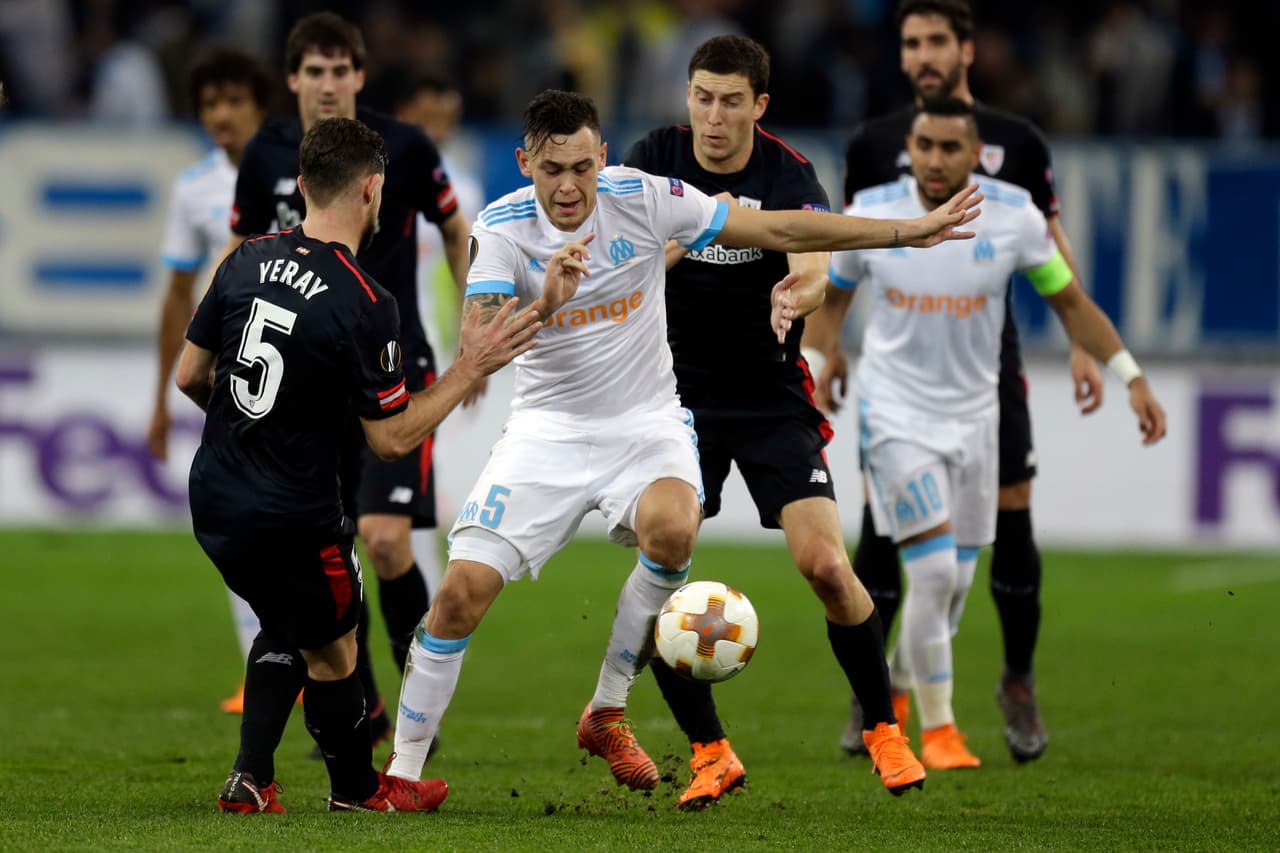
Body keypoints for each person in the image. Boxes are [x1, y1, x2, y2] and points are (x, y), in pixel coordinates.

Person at [385, 88, 981, 798]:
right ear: (524, 164)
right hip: (546, 432)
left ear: (603, 157)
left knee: (673, 528)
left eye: (582, 166)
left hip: (646, 422)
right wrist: (546, 301)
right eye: (551, 170)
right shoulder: (503, 227)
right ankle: (402, 774)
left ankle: (606, 708)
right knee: (457, 596)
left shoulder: (645, 198)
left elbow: (784, 229)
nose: (569, 186)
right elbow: (480, 343)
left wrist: (903, 233)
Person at [176, 116, 540, 813]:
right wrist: (471, 366)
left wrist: (246, 431)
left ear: (302, 184)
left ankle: (250, 777)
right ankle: (357, 790)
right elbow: (392, 439)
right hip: (293, 510)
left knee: (288, 620)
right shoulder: (367, 300)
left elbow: (192, 374)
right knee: (337, 649)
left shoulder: (245, 258)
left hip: (215, 494)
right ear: (372, 189)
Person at [815, 95, 1165, 770]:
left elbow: (1069, 302)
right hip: (893, 416)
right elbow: (832, 295)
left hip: (978, 420)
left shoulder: (1014, 218)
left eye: (951, 148)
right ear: (909, 148)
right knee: (935, 568)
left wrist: (1131, 375)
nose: (936, 159)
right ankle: (937, 733)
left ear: (976, 153)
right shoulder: (873, 213)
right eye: (925, 145)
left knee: (951, 588)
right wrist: (827, 353)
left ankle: (896, 675)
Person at [621, 34, 921, 809]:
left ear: (759, 105)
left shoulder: (788, 174)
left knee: (825, 565)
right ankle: (710, 749)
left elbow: (814, 257)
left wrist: (802, 294)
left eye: (730, 101)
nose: (713, 117)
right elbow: (619, 258)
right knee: (666, 558)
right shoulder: (653, 157)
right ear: (687, 98)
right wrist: (669, 254)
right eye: (701, 98)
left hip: (769, 396)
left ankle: (885, 728)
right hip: (672, 399)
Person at [221, 13, 470, 733]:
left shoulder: (409, 147)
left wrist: (475, 322)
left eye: (341, 71)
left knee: (387, 540)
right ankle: (364, 708)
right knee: (327, 552)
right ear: (293, 79)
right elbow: (241, 252)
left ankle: (423, 700)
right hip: (306, 386)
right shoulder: (264, 153)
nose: (329, 84)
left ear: (359, 76)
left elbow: (456, 229)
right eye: (315, 71)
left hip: (394, 369)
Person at [146, 46, 272, 714]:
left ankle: (331, 669)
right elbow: (176, 295)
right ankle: (262, 665)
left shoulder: (294, 169)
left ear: (259, 106)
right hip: (230, 379)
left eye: (234, 101)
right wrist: (161, 400)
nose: (222, 115)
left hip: (302, 370)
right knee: (237, 518)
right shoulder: (194, 188)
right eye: (210, 104)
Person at [391, 72, 488, 598]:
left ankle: (431, 617)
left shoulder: (463, 187)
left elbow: (465, 269)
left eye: (446, 119)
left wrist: (465, 351)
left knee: (413, 496)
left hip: (420, 358)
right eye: (429, 117)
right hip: (375, 351)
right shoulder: (381, 173)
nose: (438, 129)